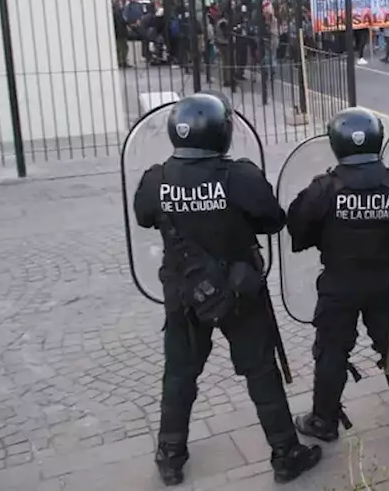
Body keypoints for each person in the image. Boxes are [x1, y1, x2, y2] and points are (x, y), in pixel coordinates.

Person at [132, 93, 320, 486]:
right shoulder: (240, 176)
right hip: (239, 292)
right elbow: (272, 220)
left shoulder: (157, 178)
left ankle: (170, 455)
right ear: (222, 133)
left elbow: (143, 216)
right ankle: (286, 452)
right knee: (260, 371)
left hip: (184, 291)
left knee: (180, 372)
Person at [287, 109, 389, 442]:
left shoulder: (324, 188)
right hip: (383, 279)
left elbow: (298, 229)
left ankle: (323, 420)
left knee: (332, 349)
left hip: (339, 281)